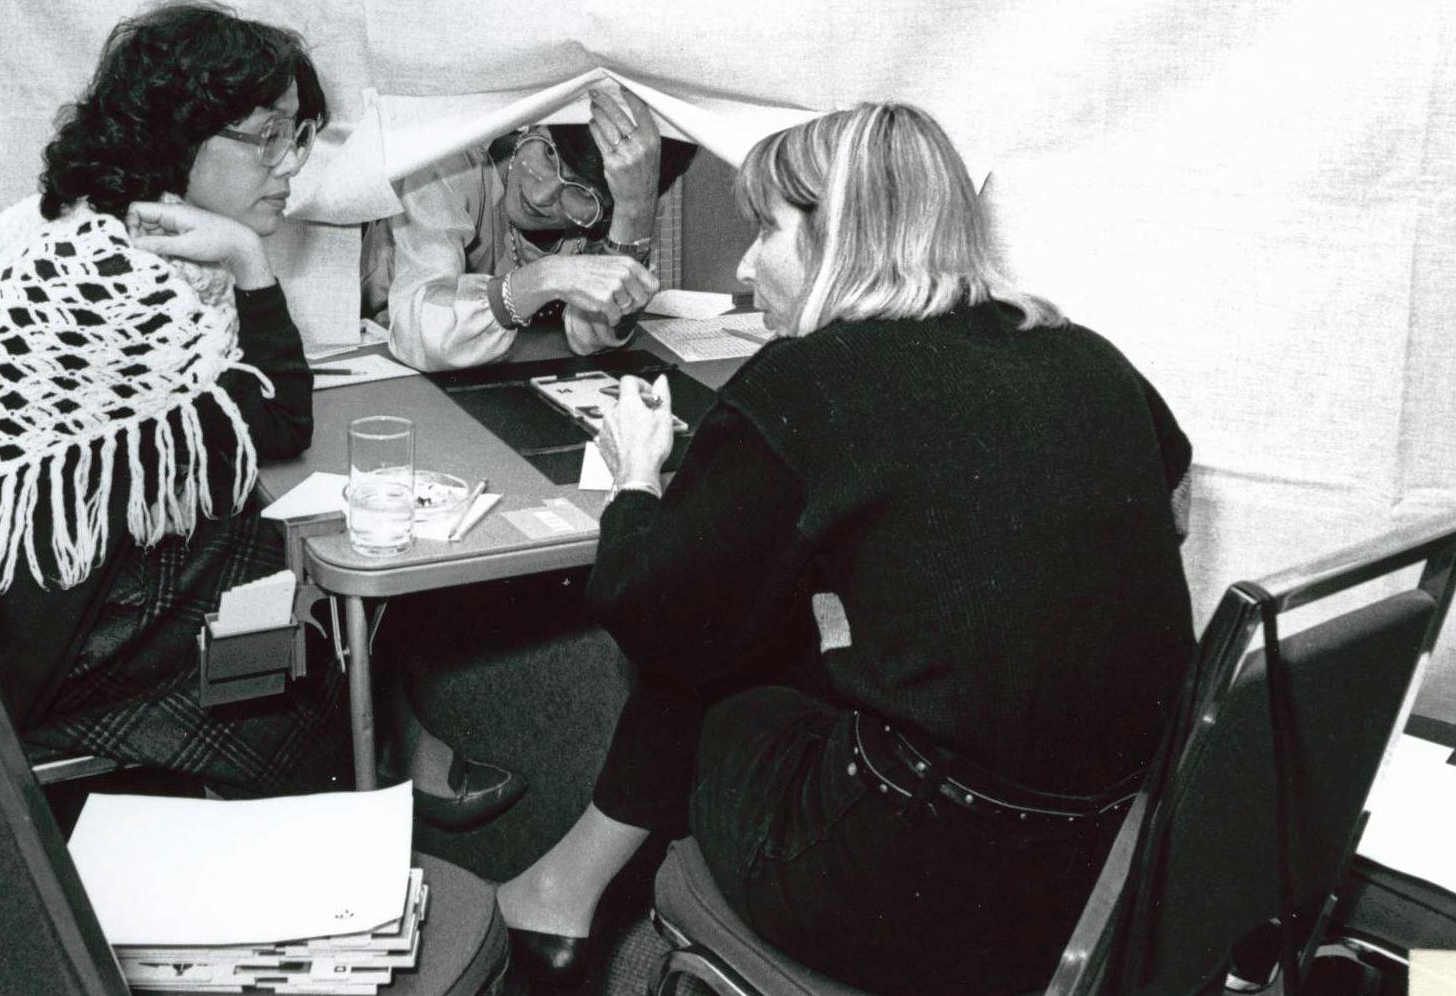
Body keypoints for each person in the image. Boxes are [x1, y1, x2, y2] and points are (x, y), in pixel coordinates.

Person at [497, 103, 1196, 995]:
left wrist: (633, 482)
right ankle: (564, 885)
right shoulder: (1084, 353)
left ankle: (562, 887)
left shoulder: (810, 380)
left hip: (908, 882)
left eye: (765, 229)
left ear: (840, 235)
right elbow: (1167, 478)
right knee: (771, 615)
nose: (747, 268)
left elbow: (651, 613)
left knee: (719, 659)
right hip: (1104, 870)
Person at [0, 0, 521, 822]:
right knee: (295, 602)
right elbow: (276, 419)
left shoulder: (111, 232)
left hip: (20, 592)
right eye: (264, 137)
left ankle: (369, 762)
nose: (288, 166)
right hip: (4, 644)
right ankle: (326, 829)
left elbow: (243, 411)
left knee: (283, 558)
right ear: (176, 135)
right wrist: (250, 258)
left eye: (297, 136)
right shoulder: (118, 276)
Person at [363, 88, 699, 371]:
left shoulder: (621, 204)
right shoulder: (451, 163)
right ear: (531, 126)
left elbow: (589, 338)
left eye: (581, 193)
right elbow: (420, 332)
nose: (540, 195)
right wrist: (546, 276)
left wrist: (635, 212)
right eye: (548, 154)